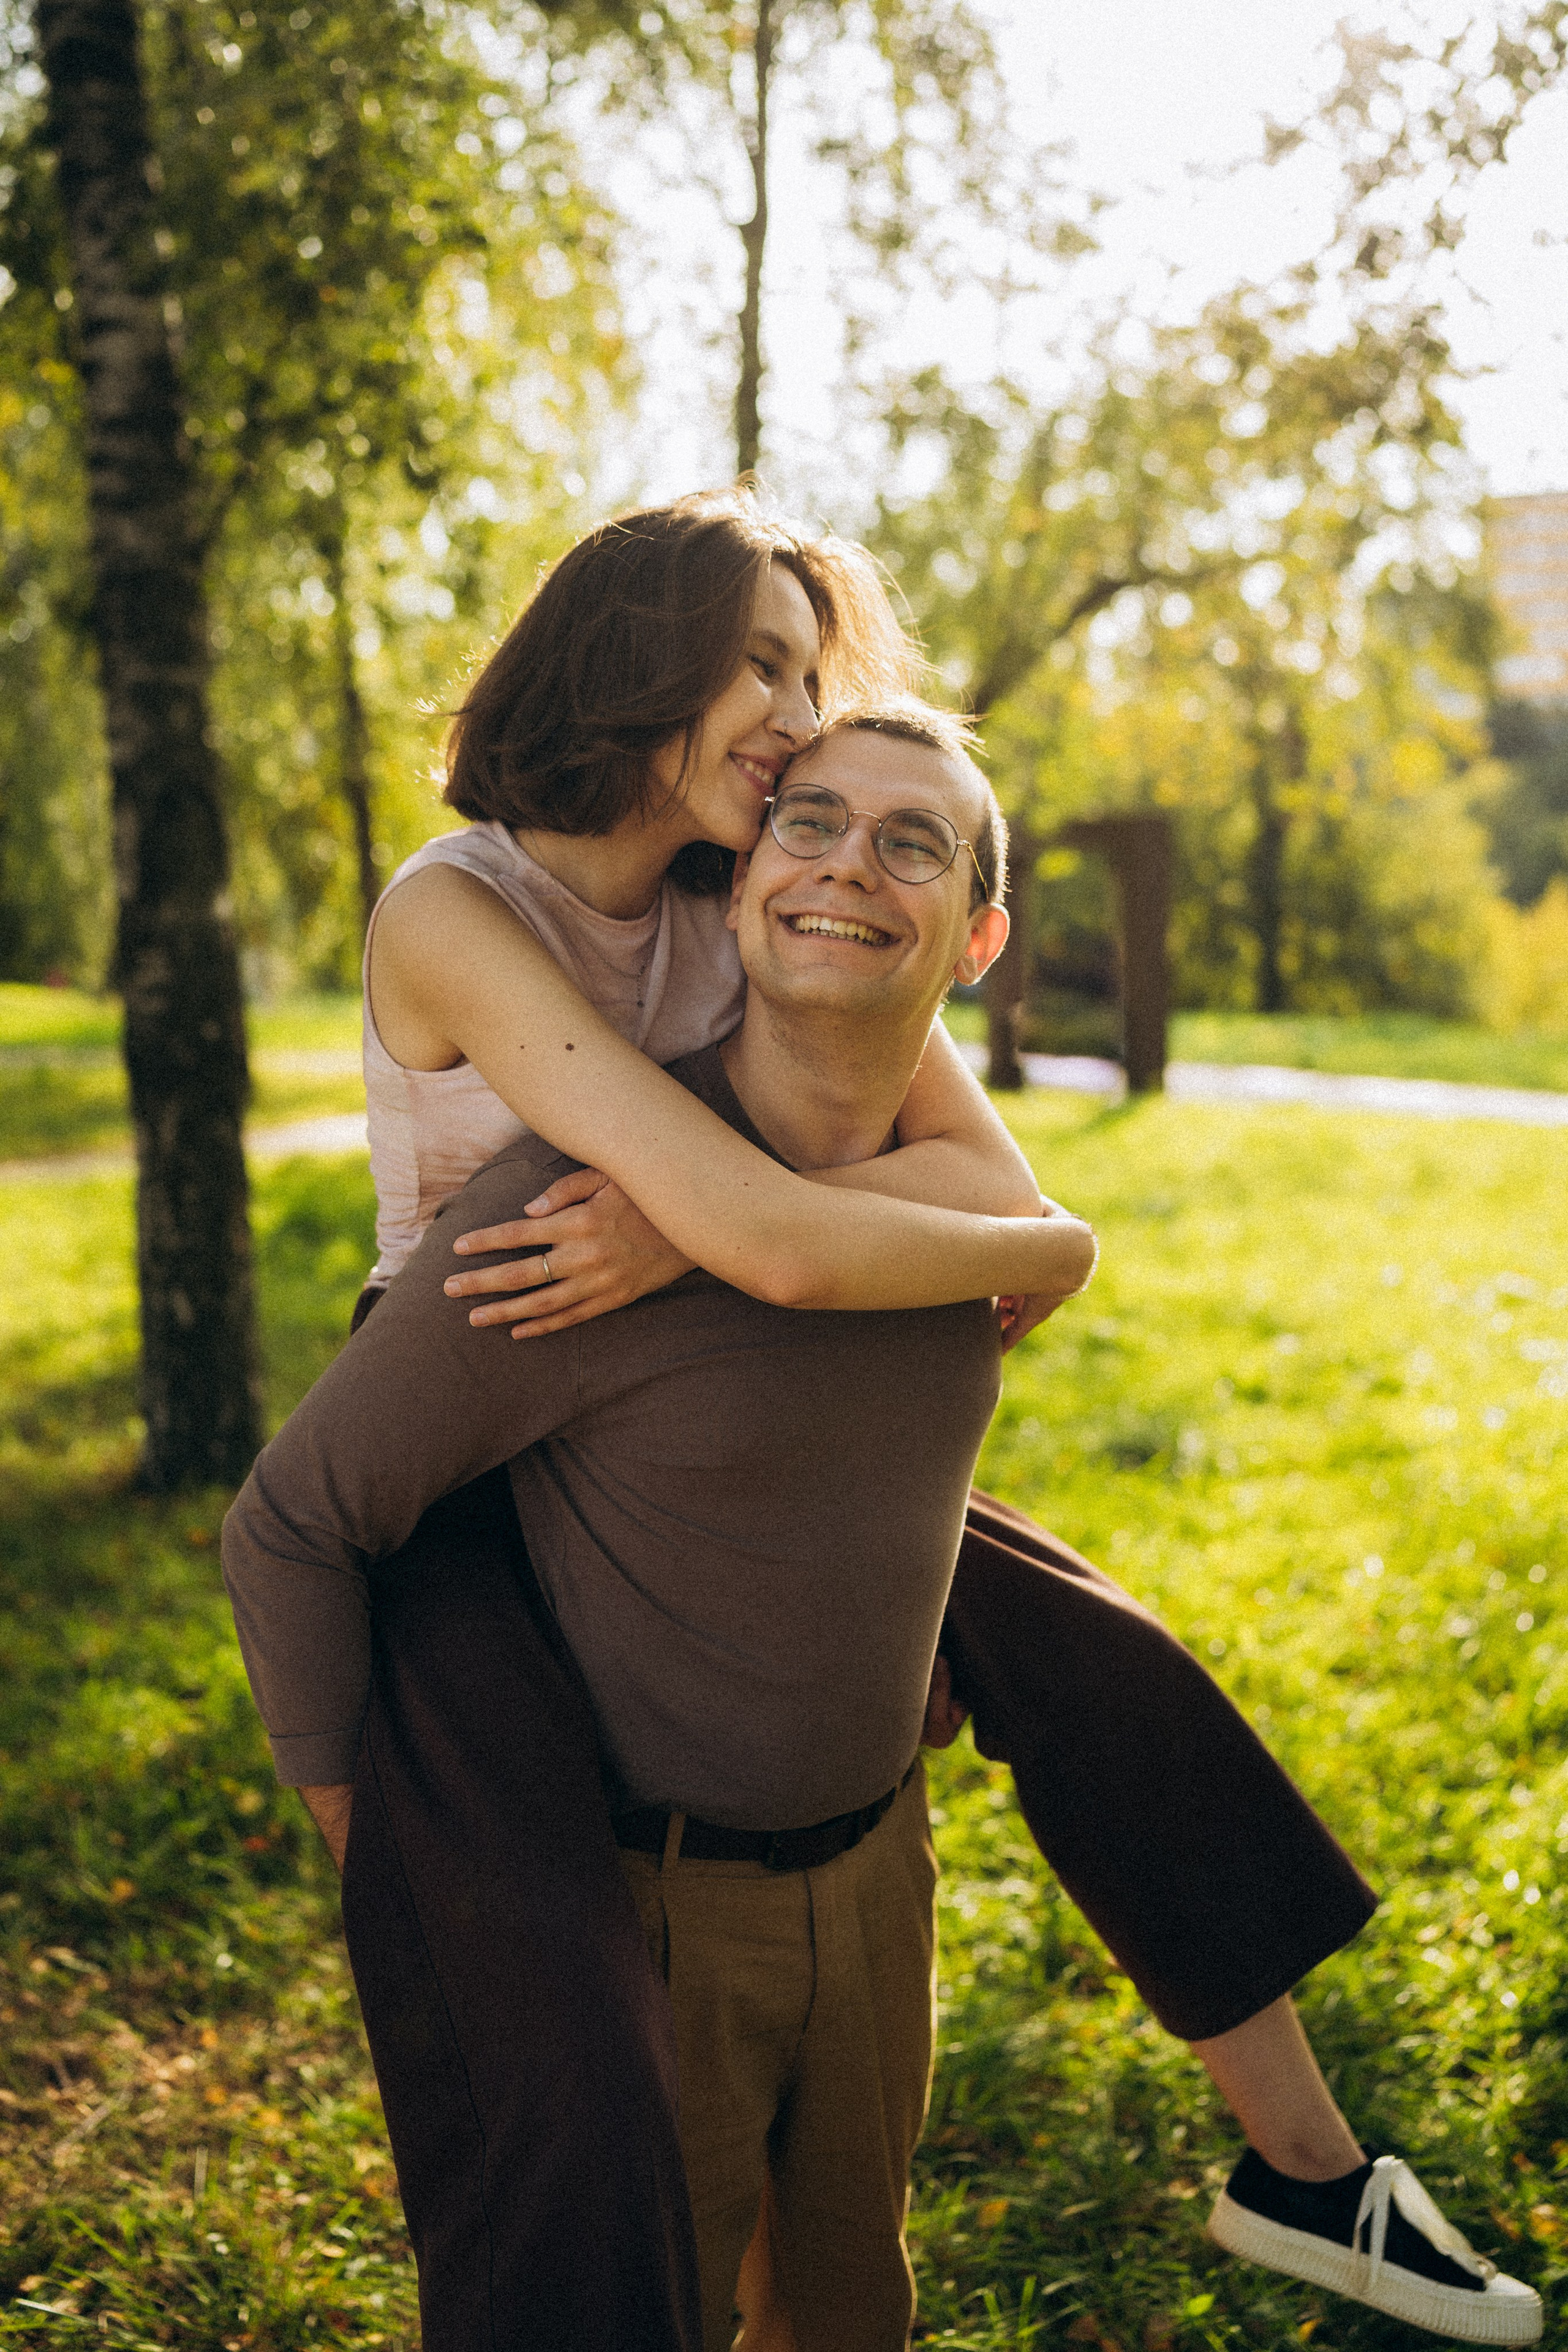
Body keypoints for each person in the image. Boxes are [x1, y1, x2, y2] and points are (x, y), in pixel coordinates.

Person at [284, 488, 1536, 2347]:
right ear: (645, 665)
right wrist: (779, 1218)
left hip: (722, 1370)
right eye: (766, 673)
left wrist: (900, 1231)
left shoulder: (755, 875)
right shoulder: (462, 908)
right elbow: (852, 1238)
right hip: (485, 1420)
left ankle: (1304, 2165)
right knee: (548, 1988)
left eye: (811, 673)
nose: (800, 719)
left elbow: (995, 1208)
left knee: (1084, 1652)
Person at [225, 713, 1094, 2348]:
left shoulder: (968, 1209)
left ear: (981, 938)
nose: (846, 861)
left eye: (912, 843)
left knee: (851, 2313)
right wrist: (389, 1854)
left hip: (879, 1877)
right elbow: (289, 1527)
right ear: (741, 884)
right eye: (812, 821)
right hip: (639, 1920)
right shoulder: (571, 1225)